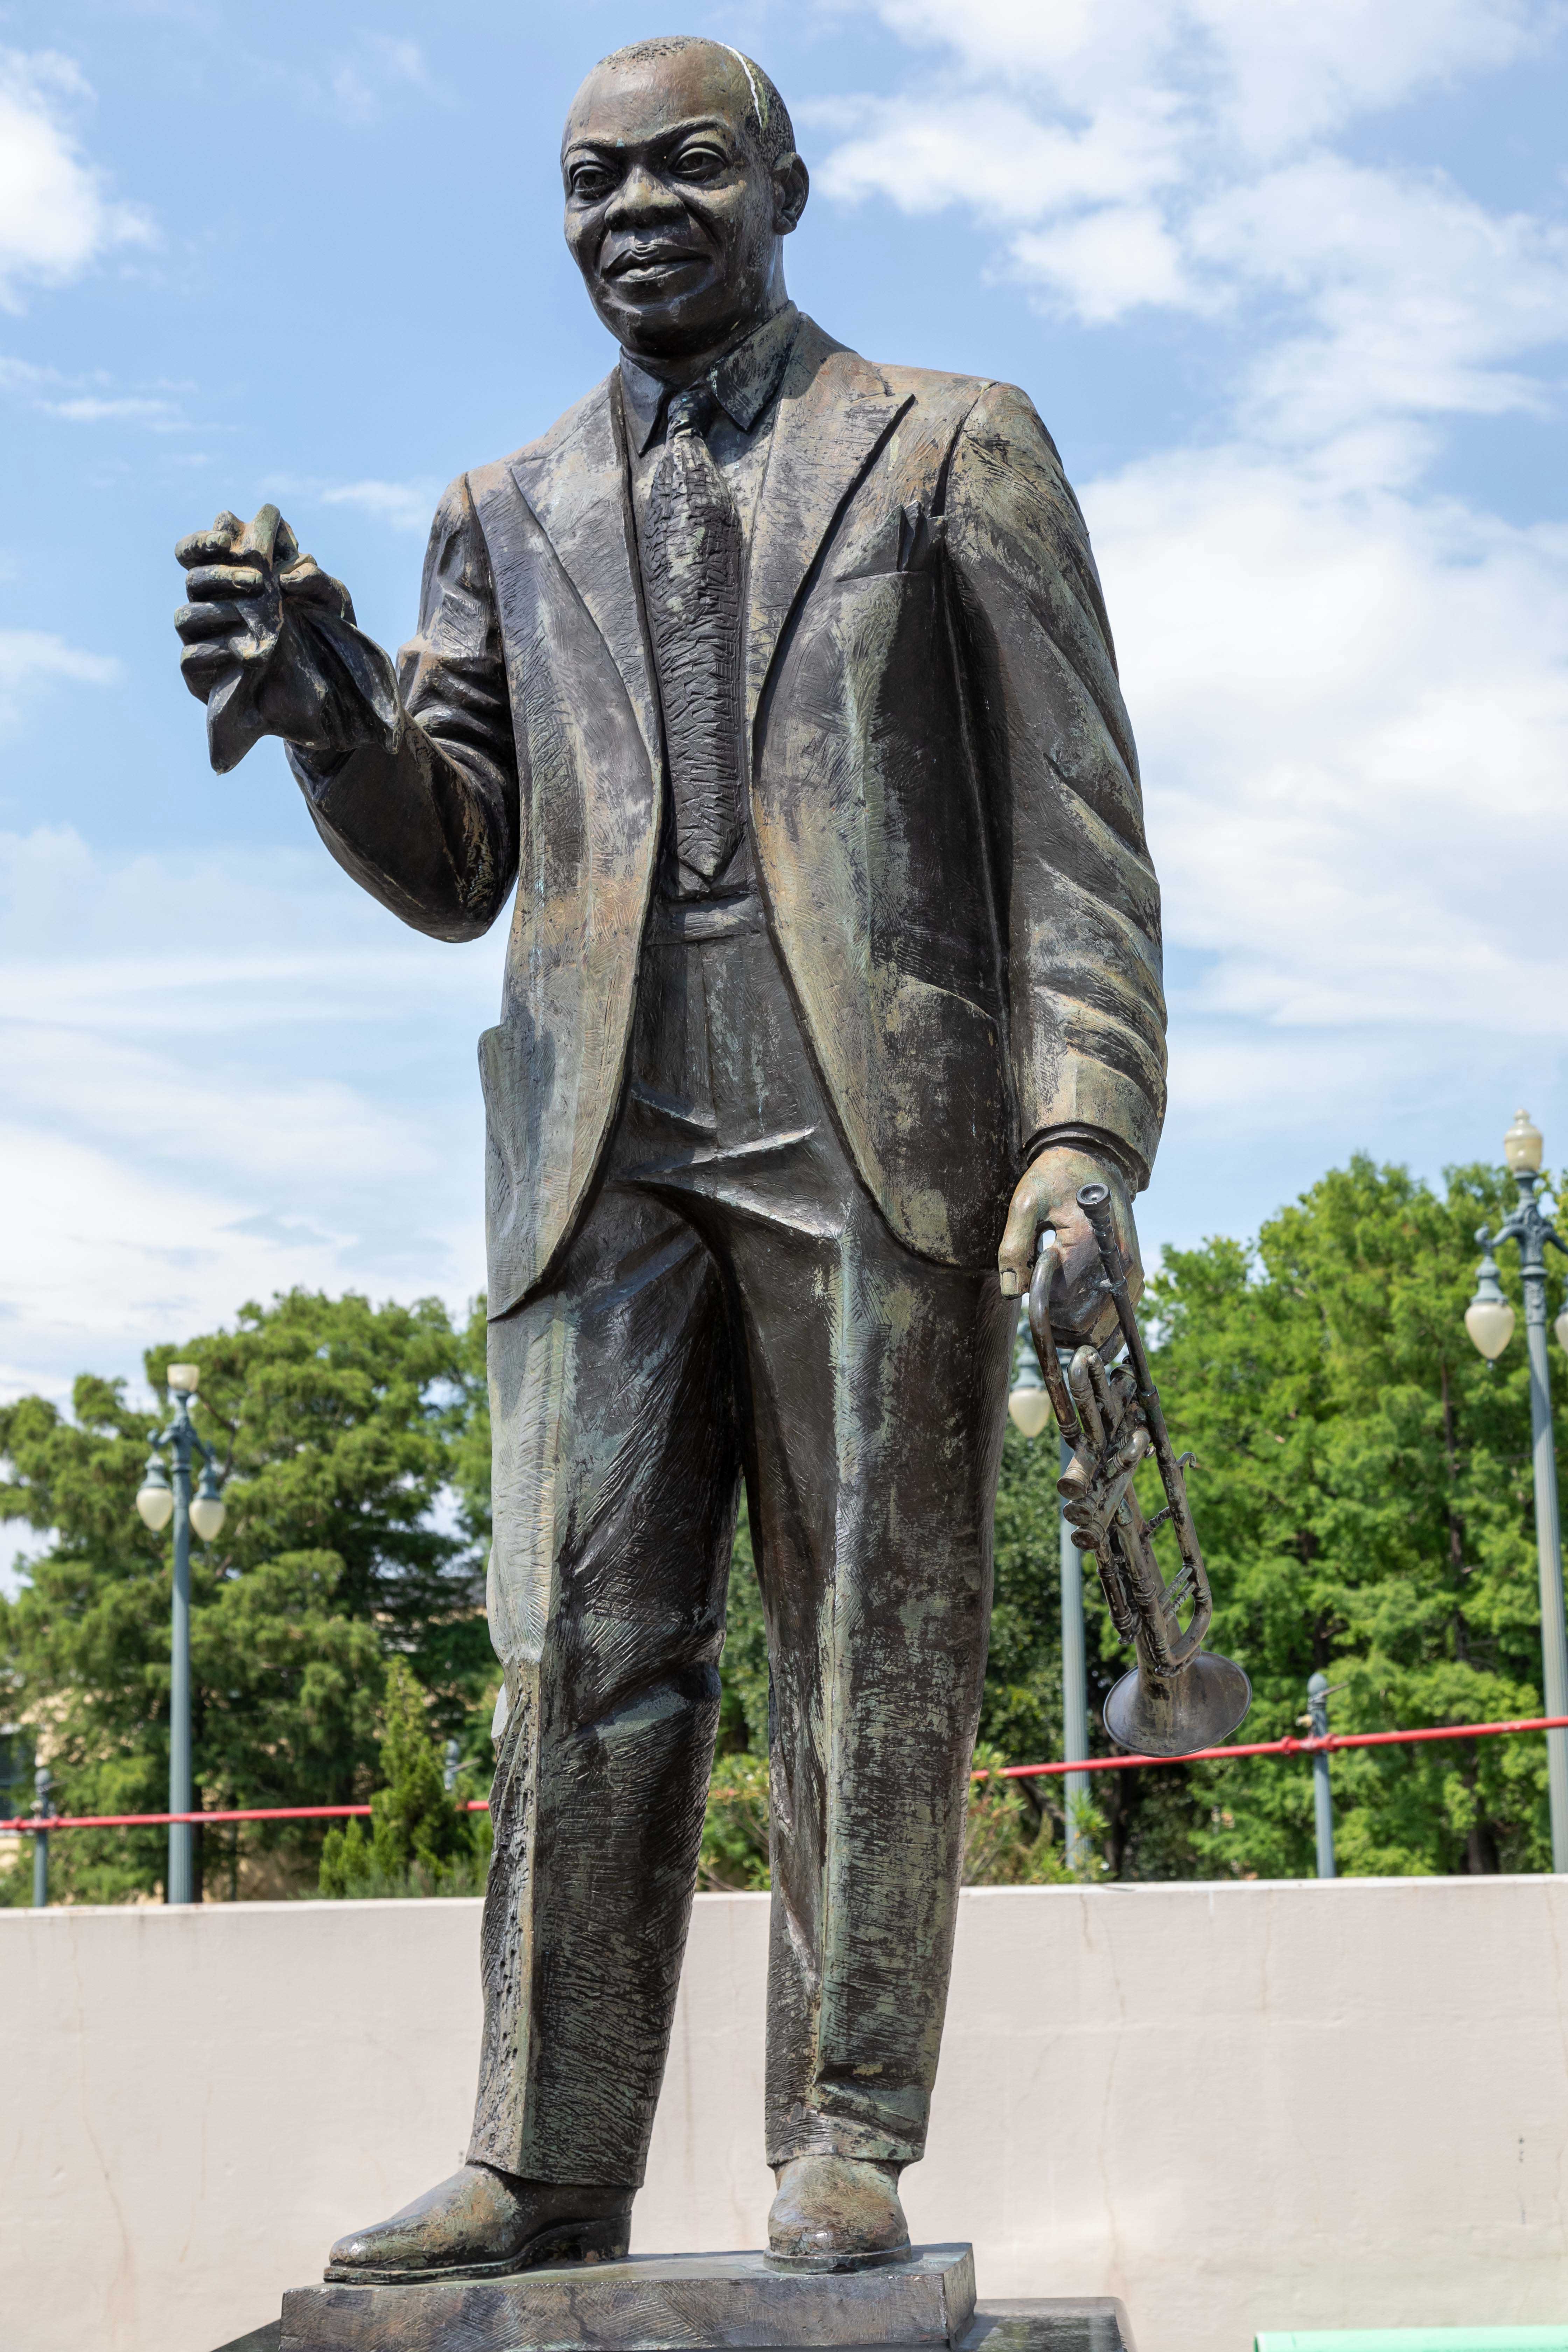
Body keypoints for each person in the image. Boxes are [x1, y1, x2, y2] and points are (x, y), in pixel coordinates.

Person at [173, 34, 1166, 2282]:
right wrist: (331, 706)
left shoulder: (953, 444)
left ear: (788, 185)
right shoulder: (497, 510)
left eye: (684, 166)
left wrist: (1083, 1126)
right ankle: (546, 2155)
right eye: (587, 179)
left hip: (877, 1122)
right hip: (596, 1130)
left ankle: (848, 2132)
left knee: (869, 1645)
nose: (632, 206)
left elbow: (1076, 837)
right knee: (573, 1652)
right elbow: (456, 861)